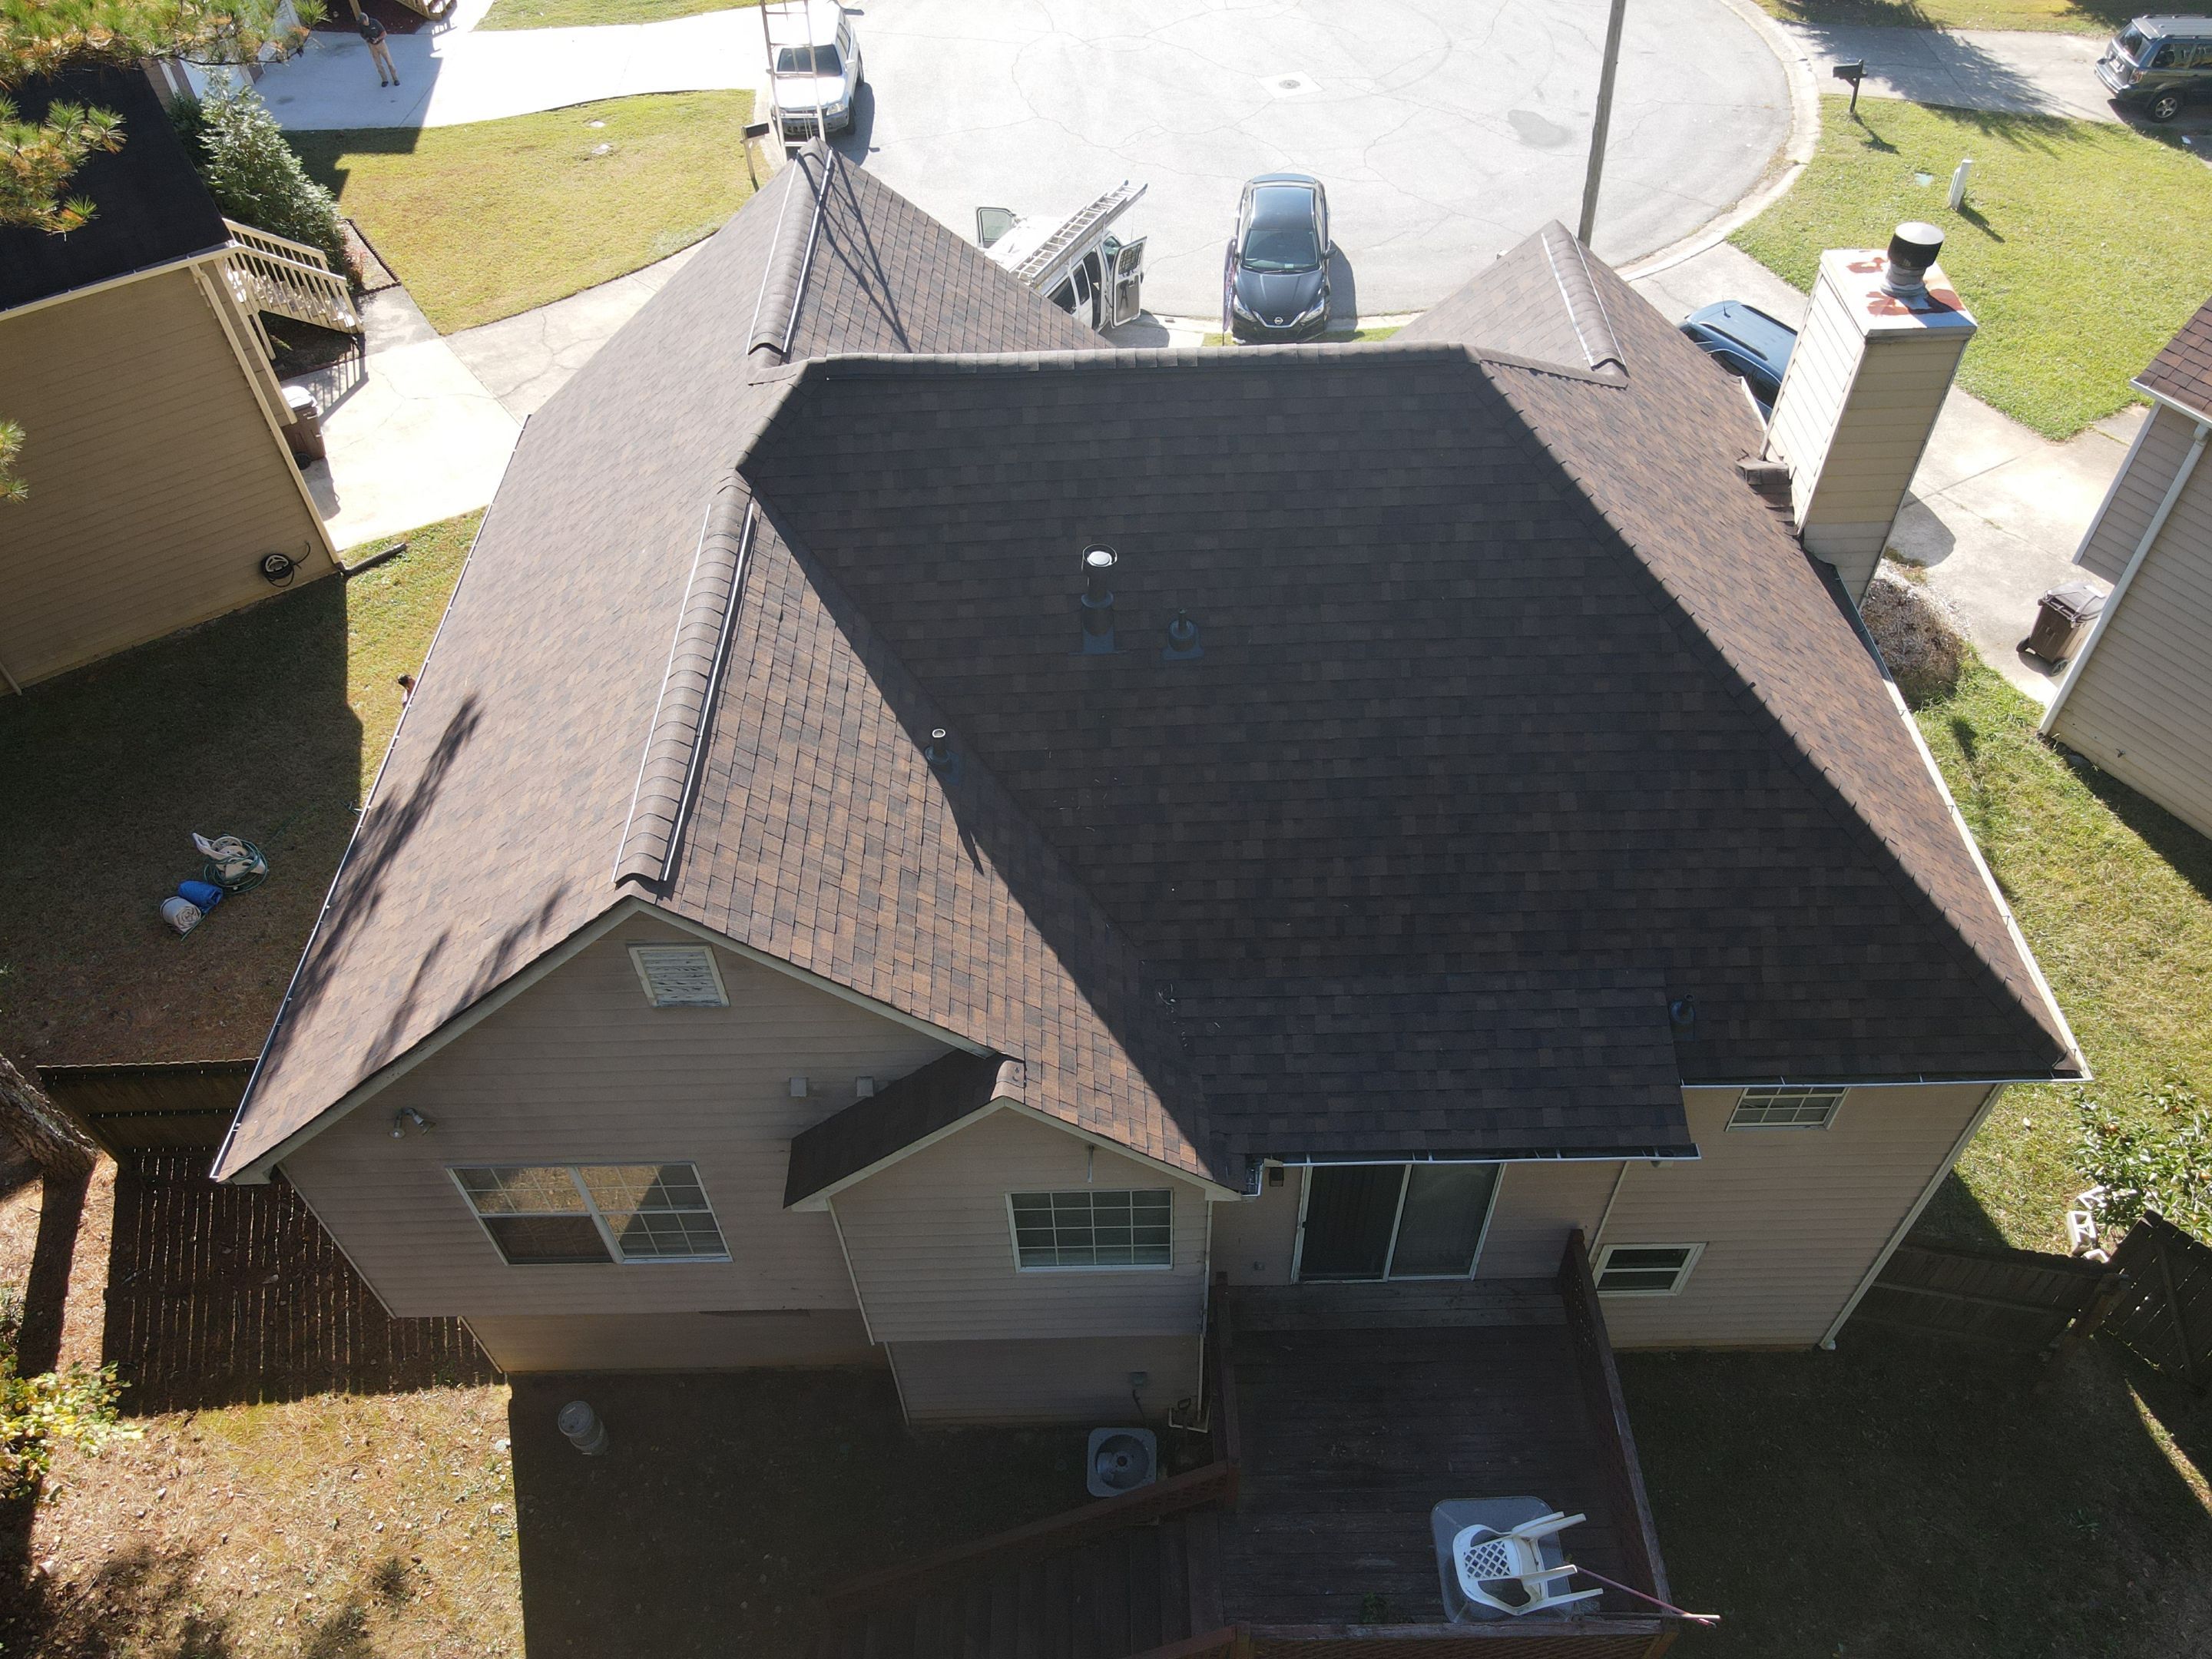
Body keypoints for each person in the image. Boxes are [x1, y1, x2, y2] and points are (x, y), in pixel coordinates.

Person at [359, 10, 399, 87]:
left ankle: (395, 78)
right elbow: (362, 33)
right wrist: (367, 39)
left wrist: (377, 39)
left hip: (381, 44)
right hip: (372, 46)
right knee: (378, 64)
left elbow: (384, 33)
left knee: (389, 61)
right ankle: (384, 80)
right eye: (363, 23)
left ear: (367, 19)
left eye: (365, 22)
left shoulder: (375, 22)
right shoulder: (361, 25)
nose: (364, 24)